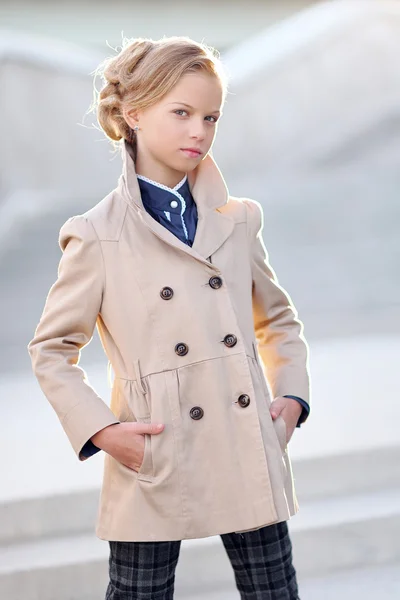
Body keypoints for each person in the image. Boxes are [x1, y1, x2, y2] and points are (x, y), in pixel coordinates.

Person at [28, 35, 311, 600]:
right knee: (138, 595)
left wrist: (290, 401)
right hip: (154, 446)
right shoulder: (96, 233)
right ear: (133, 114)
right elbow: (52, 349)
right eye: (180, 113)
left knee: (275, 592)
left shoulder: (237, 219)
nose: (198, 132)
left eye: (210, 117)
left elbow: (278, 320)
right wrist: (106, 433)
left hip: (243, 437)